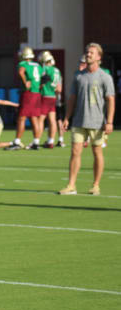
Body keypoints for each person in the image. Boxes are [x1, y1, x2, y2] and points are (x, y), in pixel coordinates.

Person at [59, 43, 115, 196]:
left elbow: (110, 99)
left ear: (98, 57)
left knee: (97, 152)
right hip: (78, 120)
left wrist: (109, 121)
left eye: (91, 52)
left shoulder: (105, 77)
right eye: (87, 52)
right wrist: (66, 117)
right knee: (75, 151)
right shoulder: (78, 75)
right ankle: (71, 185)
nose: (88, 54)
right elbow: (72, 98)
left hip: (97, 122)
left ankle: (95, 185)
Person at [6, 47, 43, 150]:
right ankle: (36, 142)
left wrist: (25, 82)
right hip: (37, 93)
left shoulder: (23, 64)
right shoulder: (38, 65)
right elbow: (44, 78)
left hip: (28, 93)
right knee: (34, 118)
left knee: (22, 117)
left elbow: (21, 72)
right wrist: (39, 85)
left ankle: (17, 141)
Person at [37, 51, 62, 149]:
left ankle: (36, 140)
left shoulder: (45, 68)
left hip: (45, 95)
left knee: (41, 119)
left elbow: (41, 82)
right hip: (53, 96)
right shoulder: (57, 70)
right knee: (52, 120)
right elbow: (59, 88)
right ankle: (51, 141)